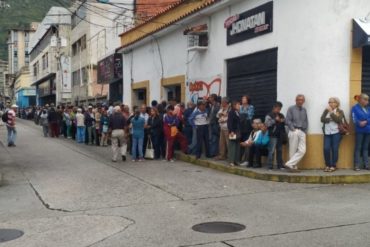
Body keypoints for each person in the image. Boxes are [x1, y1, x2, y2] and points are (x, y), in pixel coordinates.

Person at [285, 94, 308, 172]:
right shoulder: (291, 108)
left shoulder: (304, 110)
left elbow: (305, 121)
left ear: (303, 101)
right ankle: (293, 167)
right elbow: (287, 120)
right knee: (293, 149)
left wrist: (305, 131)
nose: (300, 101)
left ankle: (289, 164)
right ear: (296, 100)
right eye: (298, 100)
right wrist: (293, 129)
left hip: (302, 131)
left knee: (302, 150)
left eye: (302, 100)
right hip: (293, 130)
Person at [320, 97, 345, 172]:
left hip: (336, 133)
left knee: (335, 149)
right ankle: (327, 165)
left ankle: (333, 165)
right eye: (329, 102)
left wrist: (331, 113)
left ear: (337, 103)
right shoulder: (326, 110)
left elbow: (338, 120)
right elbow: (322, 119)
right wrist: (330, 119)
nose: (330, 104)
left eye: (332, 102)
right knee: (326, 148)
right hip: (327, 133)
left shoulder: (340, 111)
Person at [265, 102, 286, 170]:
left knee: (279, 151)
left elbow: (285, 122)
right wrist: (274, 120)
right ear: (274, 107)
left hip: (280, 135)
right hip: (273, 135)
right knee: (271, 151)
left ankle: (280, 165)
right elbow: (267, 124)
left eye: (280, 109)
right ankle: (270, 166)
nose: (279, 110)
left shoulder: (281, 115)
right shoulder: (269, 115)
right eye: (278, 109)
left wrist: (283, 121)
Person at [352, 93, 370, 171]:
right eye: (365, 99)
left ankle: (367, 165)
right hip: (360, 130)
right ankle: (356, 165)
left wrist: (366, 121)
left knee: (366, 148)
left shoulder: (368, 108)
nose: (367, 101)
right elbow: (354, 118)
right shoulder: (355, 108)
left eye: (367, 100)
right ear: (360, 100)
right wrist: (359, 123)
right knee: (358, 148)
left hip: (368, 130)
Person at [239, 95, 255, 161]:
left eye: (244, 98)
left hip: (247, 126)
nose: (243, 99)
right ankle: (239, 158)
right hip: (240, 126)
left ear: (247, 100)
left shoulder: (251, 107)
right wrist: (243, 115)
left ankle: (246, 159)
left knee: (246, 142)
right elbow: (239, 115)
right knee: (240, 142)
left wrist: (242, 115)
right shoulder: (240, 107)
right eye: (242, 98)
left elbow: (249, 116)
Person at [227, 100, 241, 166]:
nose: (239, 106)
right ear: (234, 105)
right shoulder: (231, 112)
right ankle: (231, 161)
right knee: (232, 146)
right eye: (238, 105)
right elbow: (229, 123)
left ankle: (236, 160)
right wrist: (231, 131)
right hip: (233, 131)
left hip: (238, 131)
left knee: (237, 146)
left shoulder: (238, 112)